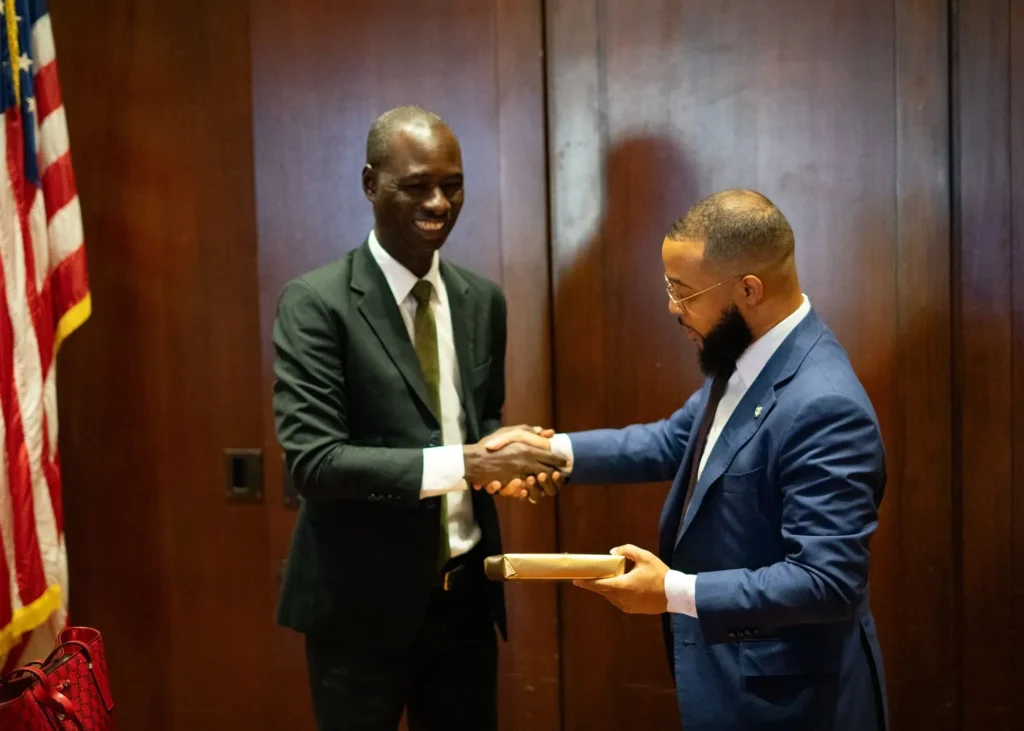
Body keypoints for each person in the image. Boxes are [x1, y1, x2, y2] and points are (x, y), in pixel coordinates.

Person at [486, 189, 888, 731]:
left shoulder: (825, 404)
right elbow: (674, 441)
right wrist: (547, 453)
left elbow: (827, 579)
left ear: (749, 289)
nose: (672, 306)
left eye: (684, 290)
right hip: (732, 686)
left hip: (794, 702)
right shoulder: (746, 354)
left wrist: (673, 591)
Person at [272, 105, 567, 731]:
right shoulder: (316, 303)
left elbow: (477, 425)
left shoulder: (481, 299)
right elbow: (314, 463)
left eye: (452, 184)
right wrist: (469, 462)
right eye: (416, 186)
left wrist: (508, 458)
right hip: (358, 612)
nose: (439, 202)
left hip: (464, 601)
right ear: (369, 182)